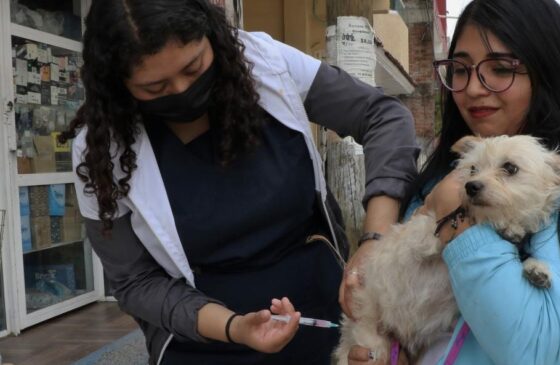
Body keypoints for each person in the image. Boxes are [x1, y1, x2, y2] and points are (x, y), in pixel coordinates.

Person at [60, 0, 419, 364]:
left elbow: (383, 117)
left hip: (322, 317)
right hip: (203, 341)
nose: (183, 89)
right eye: (155, 88)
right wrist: (234, 327)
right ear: (118, 85)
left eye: (194, 67)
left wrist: (376, 240)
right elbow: (135, 282)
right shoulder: (101, 153)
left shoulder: (265, 63)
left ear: (212, 36)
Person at [345, 0, 560, 364]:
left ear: (547, 70)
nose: (473, 88)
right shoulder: (447, 173)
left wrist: (455, 215)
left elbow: (532, 349)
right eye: (460, 69)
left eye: (500, 68)